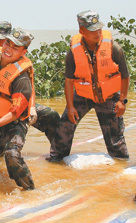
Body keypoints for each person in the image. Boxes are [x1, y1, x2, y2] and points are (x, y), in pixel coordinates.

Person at [47, 10, 129, 162]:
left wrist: (122, 101)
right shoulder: (73, 51)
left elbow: (125, 76)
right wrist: (70, 107)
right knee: (65, 125)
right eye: (92, 30)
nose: (97, 33)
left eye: (99, 28)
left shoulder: (113, 47)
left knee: (116, 141)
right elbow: (69, 81)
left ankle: (121, 169)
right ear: (81, 31)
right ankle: (56, 162)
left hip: (109, 97)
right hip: (83, 95)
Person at [0, 21, 60, 150]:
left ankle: (58, 155)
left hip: (16, 105)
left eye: (0, 40)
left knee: (51, 116)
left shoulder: (20, 65)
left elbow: (29, 87)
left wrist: (32, 107)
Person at [0, 28, 36, 190]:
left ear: (23, 51)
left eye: (15, 47)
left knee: (12, 155)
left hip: (13, 124)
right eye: (7, 43)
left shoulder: (21, 78)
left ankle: (30, 191)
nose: (8, 49)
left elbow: (15, 113)